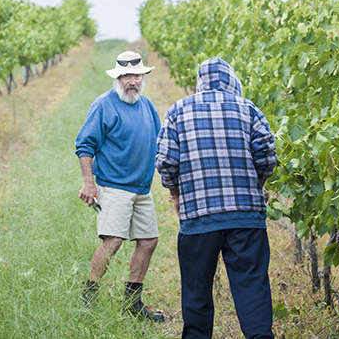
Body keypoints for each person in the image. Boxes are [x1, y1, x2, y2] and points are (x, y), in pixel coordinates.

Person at [155, 57, 278, 339]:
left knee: (196, 290)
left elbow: (166, 162)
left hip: (198, 217)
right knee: (252, 285)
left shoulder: (178, 110)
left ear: (200, 83)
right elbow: (267, 155)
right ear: (231, 81)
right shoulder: (249, 109)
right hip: (246, 217)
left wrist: (175, 193)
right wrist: (255, 184)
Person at [75, 50, 165, 322]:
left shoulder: (147, 106)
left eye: (136, 75)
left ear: (143, 77)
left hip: (141, 189)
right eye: (126, 75)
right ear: (117, 77)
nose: (131, 81)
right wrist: (88, 183)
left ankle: (132, 301)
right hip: (113, 187)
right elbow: (85, 145)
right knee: (113, 241)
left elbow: (159, 144)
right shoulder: (104, 105)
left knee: (149, 241)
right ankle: (88, 296)